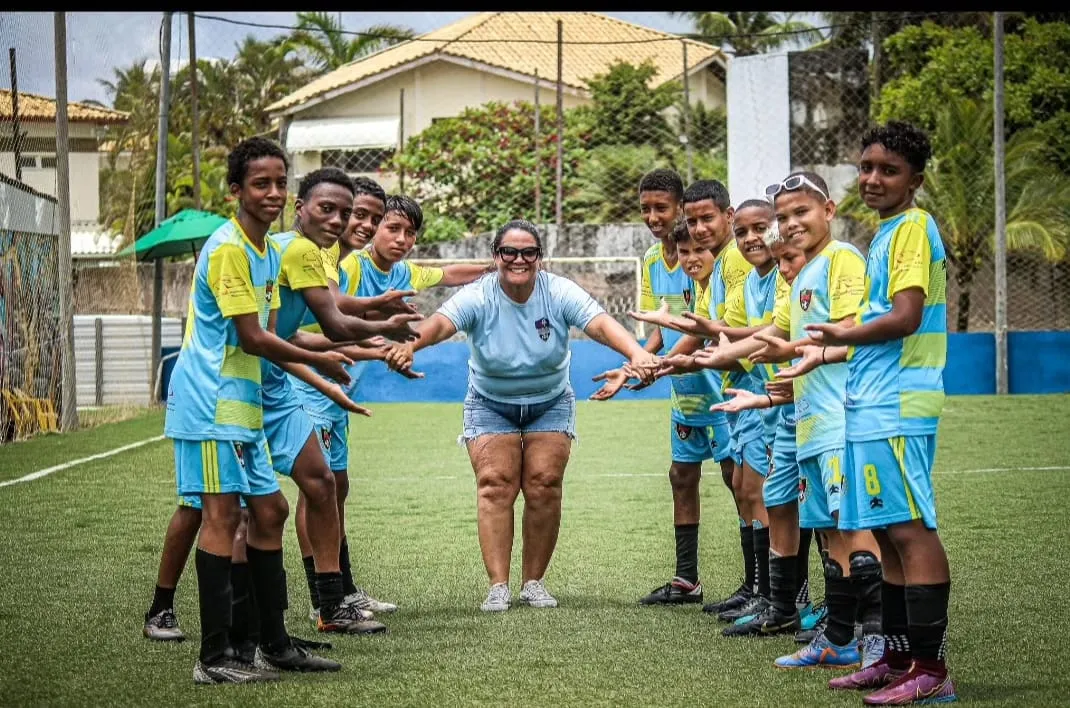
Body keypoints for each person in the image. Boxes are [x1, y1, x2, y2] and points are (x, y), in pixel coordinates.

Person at [383, 220, 659, 611]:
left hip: (550, 399)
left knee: (545, 483)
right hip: (489, 401)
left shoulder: (558, 291)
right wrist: (411, 346)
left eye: (528, 252)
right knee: (495, 483)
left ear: (539, 258)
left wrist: (637, 353)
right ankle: (498, 586)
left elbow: (599, 323)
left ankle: (534, 582)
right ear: (496, 256)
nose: (518, 259)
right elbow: (441, 323)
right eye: (508, 252)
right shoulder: (479, 294)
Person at [775, 123, 956, 703]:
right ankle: (898, 660)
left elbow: (904, 317)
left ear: (916, 180)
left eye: (890, 170)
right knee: (883, 525)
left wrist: (839, 333)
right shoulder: (884, 234)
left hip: (901, 399)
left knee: (910, 529)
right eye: (868, 167)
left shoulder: (912, 227)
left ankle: (931, 669)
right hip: (872, 399)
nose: (874, 179)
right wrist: (827, 350)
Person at [163, 137, 354, 683]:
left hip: (242, 405)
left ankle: (271, 643)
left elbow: (276, 335)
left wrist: (323, 361)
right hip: (208, 404)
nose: (272, 193)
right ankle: (214, 656)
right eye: (260, 183)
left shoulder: (267, 251)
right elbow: (252, 339)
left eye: (279, 182)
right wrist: (326, 366)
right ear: (236, 191)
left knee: (268, 513)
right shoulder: (227, 249)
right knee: (223, 517)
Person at [684, 172, 882, 669]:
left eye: (802, 213)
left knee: (852, 526)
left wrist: (789, 351)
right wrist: (711, 357)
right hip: (806, 419)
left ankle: (875, 638)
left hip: (842, 417)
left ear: (829, 211)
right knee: (830, 530)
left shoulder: (843, 260)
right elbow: (775, 335)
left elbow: (856, 329)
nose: (791, 225)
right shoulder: (804, 275)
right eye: (785, 217)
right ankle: (838, 637)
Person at [290, 192, 490, 621]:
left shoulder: (402, 271)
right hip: (307, 382)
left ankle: (341, 589)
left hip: (337, 388)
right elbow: (330, 314)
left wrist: (500, 264)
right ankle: (322, 598)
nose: (399, 238)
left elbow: (451, 272)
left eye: (408, 232)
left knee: (336, 489)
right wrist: (380, 340)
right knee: (317, 489)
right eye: (390, 227)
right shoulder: (348, 266)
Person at [257, 167, 424, 638]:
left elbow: (296, 329)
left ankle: (331, 602)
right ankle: (239, 624)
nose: (353, 223)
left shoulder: (308, 253)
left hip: (281, 380)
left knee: (323, 485)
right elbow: (330, 322)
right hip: (253, 387)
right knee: (242, 510)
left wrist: (354, 343)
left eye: (354, 213)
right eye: (338, 211)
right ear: (300, 207)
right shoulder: (303, 251)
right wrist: (381, 329)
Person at [625, 179, 760, 616]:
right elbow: (664, 329)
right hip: (687, 386)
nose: (652, 217)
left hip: (725, 384)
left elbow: (709, 327)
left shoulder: (726, 257)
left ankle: (760, 585)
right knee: (682, 476)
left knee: (740, 480)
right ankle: (690, 578)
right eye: (645, 208)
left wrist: (662, 364)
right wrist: (640, 363)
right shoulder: (653, 259)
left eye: (661, 207)